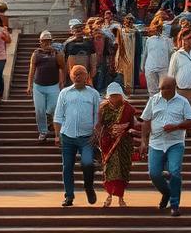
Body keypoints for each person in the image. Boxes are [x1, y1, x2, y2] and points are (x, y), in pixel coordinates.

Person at [138, 75, 191, 217]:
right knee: (154, 173)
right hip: (156, 143)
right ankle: (167, 193)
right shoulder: (154, 100)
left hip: (175, 143)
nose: (163, 90)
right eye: (161, 88)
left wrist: (176, 126)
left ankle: (175, 205)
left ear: (174, 88)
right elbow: (146, 121)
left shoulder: (182, 102)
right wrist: (143, 141)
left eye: (166, 88)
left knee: (175, 172)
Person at [53, 64, 102, 207]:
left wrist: (96, 132)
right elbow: (58, 116)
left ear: (87, 76)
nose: (78, 76)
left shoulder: (93, 93)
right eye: (75, 74)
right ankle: (69, 196)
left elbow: (97, 116)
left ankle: (88, 186)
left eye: (81, 73)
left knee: (87, 163)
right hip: (67, 137)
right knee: (67, 167)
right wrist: (57, 135)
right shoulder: (65, 93)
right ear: (71, 76)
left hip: (87, 137)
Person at [96, 82, 139, 207]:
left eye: (117, 95)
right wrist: (102, 137)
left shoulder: (128, 109)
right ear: (108, 96)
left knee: (123, 171)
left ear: (121, 95)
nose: (114, 98)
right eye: (112, 96)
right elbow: (98, 125)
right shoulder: (103, 109)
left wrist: (128, 129)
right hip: (109, 143)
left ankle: (121, 198)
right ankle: (108, 196)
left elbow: (133, 125)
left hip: (124, 144)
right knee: (110, 171)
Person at [26, 30, 62, 142]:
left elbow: (62, 67)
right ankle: (43, 131)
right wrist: (29, 85)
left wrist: (62, 81)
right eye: (44, 42)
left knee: (52, 108)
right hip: (38, 86)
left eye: (48, 41)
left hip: (53, 85)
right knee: (39, 110)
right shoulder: (36, 53)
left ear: (51, 42)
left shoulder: (56, 53)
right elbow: (32, 70)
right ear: (40, 42)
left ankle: (49, 120)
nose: (46, 44)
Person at [59, 19, 94, 86]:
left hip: (86, 71)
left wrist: (93, 71)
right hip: (71, 72)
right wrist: (63, 78)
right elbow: (63, 61)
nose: (78, 30)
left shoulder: (88, 42)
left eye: (79, 27)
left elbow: (93, 58)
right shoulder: (67, 43)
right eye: (76, 28)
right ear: (72, 31)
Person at [114, 15, 137, 92]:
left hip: (131, 53)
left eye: (130, 20)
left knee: (130, 70)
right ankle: (121, 89)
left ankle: (129, 88)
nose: (128, 22)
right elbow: (118, 43)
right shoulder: (120, 31)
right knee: (121, 71)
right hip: (122, 53)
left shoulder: (134, 31)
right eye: (127, 20)